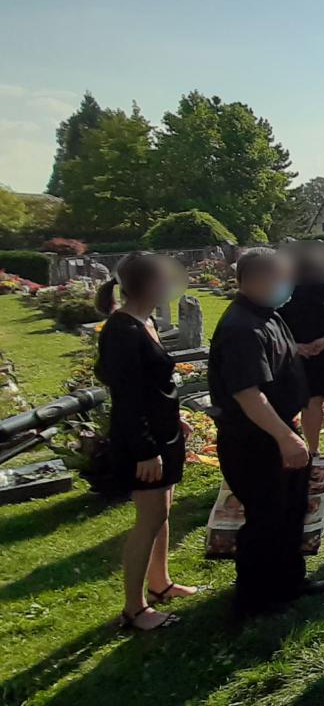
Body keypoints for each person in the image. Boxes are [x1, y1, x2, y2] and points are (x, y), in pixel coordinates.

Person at [210, 248, 324, 616]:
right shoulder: (241, 328)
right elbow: (248, 394)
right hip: (256, 440)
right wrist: (285, 437)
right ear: (257, 280)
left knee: (289, 512)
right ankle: (257, 597)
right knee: (265, 518)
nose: (289, 285)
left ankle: (290, 581)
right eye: (283, 279)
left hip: (279, 430)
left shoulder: (267, 315)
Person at [95, 253, 198, 630]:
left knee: (162, 513)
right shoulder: (121, 331)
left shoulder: (145, 320)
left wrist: (174, 417)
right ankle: (134, 608)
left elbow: (153, 384)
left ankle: (160, 583)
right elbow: (126, 396)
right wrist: (145, 449)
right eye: (166, 278)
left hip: (163, 431)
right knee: (149, 518)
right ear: (149, 284)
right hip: (143, 442)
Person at [278, 243, 324, 456]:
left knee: (311, 401)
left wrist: (296, 346)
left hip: (301, 353)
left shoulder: (287, 290)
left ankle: (313, 449)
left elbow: (276, 322)